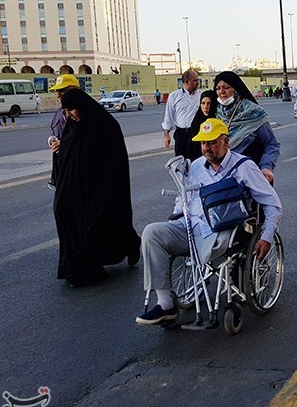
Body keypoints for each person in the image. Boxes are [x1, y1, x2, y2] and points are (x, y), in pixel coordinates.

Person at [136, 118, 283, 326]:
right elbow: (183, 198)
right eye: (203, 142)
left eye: (212, 142)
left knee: (211, 247)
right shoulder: (197, 166)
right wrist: (176, 217)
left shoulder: (244, 167)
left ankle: (210, 279)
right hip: (189, 226)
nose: (206, 147)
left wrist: (267, 236)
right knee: (152, 233)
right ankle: (166, 305)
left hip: (221, 231)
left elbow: (272, 203)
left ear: (226, 142)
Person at [55, 88, 142, 288]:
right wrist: (59, 148)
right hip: (78, 188)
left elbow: (114, 160)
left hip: (102, 187)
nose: (69, 115)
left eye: (72, 109)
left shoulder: (105, 125)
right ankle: (77, 266)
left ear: (82, 106)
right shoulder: (73, 126)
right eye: (66, 111)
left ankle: (87, 269)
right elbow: (68, 152)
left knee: (98, 224)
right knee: (68, 215)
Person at [213, 71, 280, 184]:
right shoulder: (217, 113)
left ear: (236, 89)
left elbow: (271, 144)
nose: (221, 92)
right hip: (222, 177)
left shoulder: (253, 112)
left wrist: (266, 167)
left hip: (250, 177)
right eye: (218, 88)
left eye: (226, 87)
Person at [46, 74, 80, 190]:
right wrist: (52, 140)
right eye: (57, 91)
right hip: (61, 167)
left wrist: (65, 144)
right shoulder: (59, 112)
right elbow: (55, 132)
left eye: (62, 91)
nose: (58, 95)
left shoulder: (83, 113)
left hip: (77, 169)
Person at [162, 69, 202, 158]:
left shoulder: (201, 95)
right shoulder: (174, 96)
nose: (197, 83)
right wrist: (166, 135)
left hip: (197, 133)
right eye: (195, 80)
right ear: (187, 82)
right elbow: (169, 116)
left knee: (197, 159)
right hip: (181, 134)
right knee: (180, 160)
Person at [186, 90, 217, 161]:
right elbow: (191, 146)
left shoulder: (218, 121)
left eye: (209, 103)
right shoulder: (196, 121)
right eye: (203, 103)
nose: (205, 107)